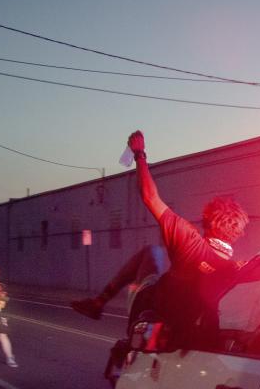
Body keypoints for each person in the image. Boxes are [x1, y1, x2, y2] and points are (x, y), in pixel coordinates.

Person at [71, 130, 248, 339]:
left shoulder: (189, 239)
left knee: (152, 252)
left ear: (207, 221)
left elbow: (150, 196)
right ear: (236, 233)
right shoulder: (231, 269)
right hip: (185, 326)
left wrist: (140, 154)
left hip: (149, 307)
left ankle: (99, 302)